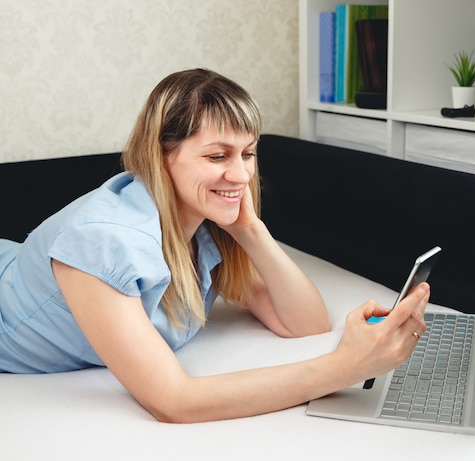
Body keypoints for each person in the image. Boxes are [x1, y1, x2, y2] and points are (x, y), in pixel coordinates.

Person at [0, 68, 430, 423]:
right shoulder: (103, 242)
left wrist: (251, 230)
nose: (242, 176)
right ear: (161, 154)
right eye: (217, 156)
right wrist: (345, 368)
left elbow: (304, 323)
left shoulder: (202, 221)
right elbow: (173, 401)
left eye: (248, 153)